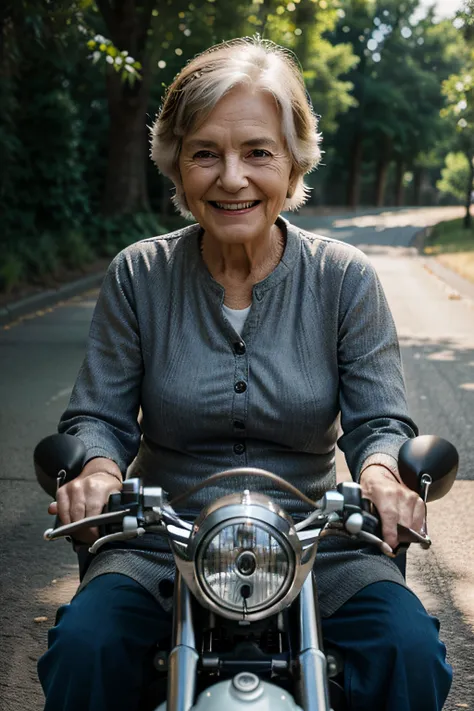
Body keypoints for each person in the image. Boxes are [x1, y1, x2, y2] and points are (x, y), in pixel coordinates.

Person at [37, 37, 451, 711]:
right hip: (161, 537)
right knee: (84, 648)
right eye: (206, 152)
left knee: (410, 653)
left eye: (257, 151)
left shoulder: (344, 279)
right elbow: (99, 418)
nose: (233, 178)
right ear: (177, 165)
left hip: (316, 537)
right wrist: (97, 473)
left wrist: (381, 474)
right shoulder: (138, 275)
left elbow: (380, 422)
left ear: (292, 163)